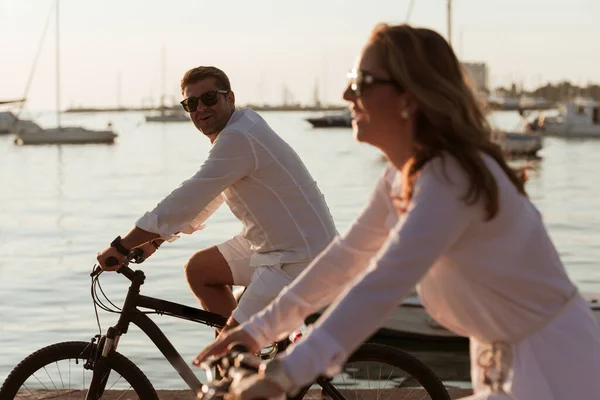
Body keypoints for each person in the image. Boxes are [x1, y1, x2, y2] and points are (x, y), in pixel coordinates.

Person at [194, 24, 600, 400]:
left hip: (557, 368)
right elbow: (345, 258)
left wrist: (285, 373)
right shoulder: (404, 175)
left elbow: (382, 283)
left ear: (408, 95)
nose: (346, 95)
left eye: (360, 82)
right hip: (503, 365)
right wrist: (256, 330)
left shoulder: (449, 178)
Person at [96, 66, 337, 333]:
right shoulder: (243, 126)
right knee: (200, 270)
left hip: (296, 258)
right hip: (284, 243)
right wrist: (155, 239)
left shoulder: (239, 137)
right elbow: (208, 196)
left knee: (229, 347)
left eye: (209, 98)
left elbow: (189, 196)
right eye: (191, 103)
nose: (200, 108)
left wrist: (121, 246)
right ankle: (249, 358)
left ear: (229, 98)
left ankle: (241, 359)